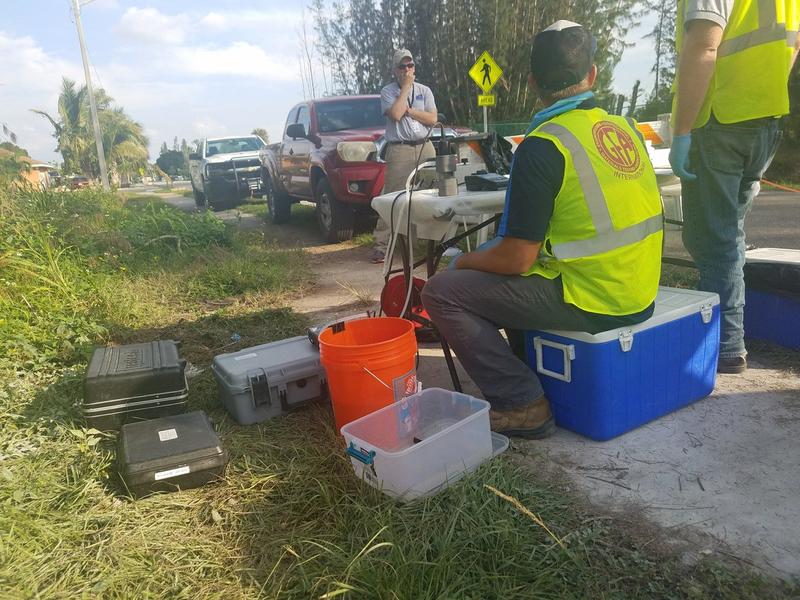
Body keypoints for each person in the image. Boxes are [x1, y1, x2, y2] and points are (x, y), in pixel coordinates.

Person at [422, 21, 664, 438]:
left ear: (533, 82)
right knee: (507, 276)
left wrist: (461, 259)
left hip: (594, 298)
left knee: (441, 293)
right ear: (593, 75)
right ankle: (531, 372)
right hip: (639, 291)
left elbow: (516, 258)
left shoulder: (543, 145)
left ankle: (522, 402)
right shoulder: (625, 130)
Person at [669, 0, 799, 374]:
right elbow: (793, 44)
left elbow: (704, 48)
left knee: (713, 240)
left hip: (719, 119)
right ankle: (726, 328)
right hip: (765, 119)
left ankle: (726, 345)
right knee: (729, 234)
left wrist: (682, 131)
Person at [370, 49, 439, 263]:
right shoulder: (388, 92)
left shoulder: (425, 91)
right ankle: (381, 245)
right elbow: (396, 113)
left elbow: (432, 118)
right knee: (393, 196)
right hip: (399, 149)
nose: (407, 70)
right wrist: (406, 87)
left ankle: (430, 242)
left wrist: (411, 111)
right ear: (395, 70)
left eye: (410, 65)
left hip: (425, 147)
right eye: (402, 66)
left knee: (430, 195)